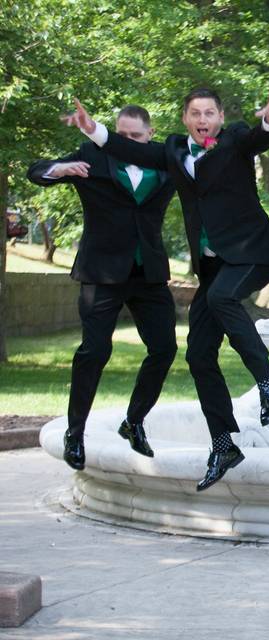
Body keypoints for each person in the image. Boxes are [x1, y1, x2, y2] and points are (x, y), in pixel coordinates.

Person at [64, 86, 269, 491]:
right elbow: (130, 150)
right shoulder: (171, 151)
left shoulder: (236, 139)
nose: (203, 119)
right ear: (185, 119)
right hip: (215, 266)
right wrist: (94, 129)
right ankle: (223, 443)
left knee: (222, 298)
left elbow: (261, 137)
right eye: (195, 113)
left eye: (209, 113)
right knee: (199, 353)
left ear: (220, 117)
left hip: (251, 254)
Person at [29, 105, 177, 471]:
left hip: (149, 273)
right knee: (94, 351)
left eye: (135, 137)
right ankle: (75, 433)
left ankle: (134, 420)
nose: (127, 142)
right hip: (102, 272)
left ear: (150, 133)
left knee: (164, 349)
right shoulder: (92, 155)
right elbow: (36, 171)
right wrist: (58, 170)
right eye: (121, 135)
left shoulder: (164, 160)